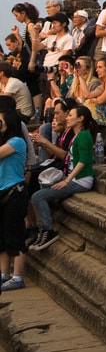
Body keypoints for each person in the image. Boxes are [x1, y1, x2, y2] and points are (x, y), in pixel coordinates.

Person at [28, 104, 97, 251]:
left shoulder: (84, 135)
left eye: (71, 115)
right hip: (73, 177)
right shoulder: (77, 135)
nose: (67, 118)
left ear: (81, 119)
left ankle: (48, 230)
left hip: (81, 180)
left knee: (37, 197)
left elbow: (83, 161)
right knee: (43, 186)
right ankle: (41, 230)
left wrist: (66, 180)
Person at [0, 108, 29, 293]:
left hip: (15, 192)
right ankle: (3, 274)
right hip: (2, 193)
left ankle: (17, 276)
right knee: (2, 238)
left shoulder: (17, 142)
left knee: (15, 234)